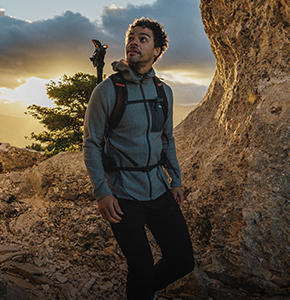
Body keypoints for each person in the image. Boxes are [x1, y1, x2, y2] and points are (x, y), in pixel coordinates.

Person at [83, 17, 194, 300]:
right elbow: (92, 144)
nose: (133, 42)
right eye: (131, 37)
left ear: (157, 51)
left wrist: (176, 179)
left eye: (143, 38)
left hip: (159, 190)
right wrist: (102, 192)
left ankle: (140, 291)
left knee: (183, 261)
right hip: (123, 197)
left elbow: (166, 139)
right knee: (141, 267)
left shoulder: (163, 92)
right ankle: (141, 290)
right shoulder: (107, 91)